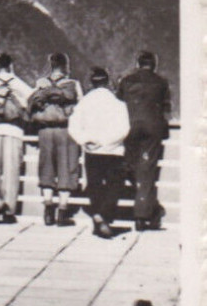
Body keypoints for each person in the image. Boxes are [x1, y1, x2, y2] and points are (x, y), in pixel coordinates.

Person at [68, 68, 130, 239]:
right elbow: (124, 129)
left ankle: (97, 215)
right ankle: (103, 215)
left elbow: (73, 126)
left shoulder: (84, 103)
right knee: (115, 185)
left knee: (94, 185)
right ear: (108, 82)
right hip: (113, 151)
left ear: (91, 83)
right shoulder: (117, 103)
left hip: (91, 150)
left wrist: (85, 141)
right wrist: (106, 143)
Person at [118, 50, 171, 231]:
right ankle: (143, 215)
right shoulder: (161, 82)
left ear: (138, 64)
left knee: (130, 165)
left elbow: (119, 103)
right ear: (154, 64)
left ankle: (146, 206)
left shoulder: (126, 81)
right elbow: (166, 107)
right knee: (147, 171)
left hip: (130, 128)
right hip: (153, 129)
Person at [28, 53, 83, 226]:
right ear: (66, 66)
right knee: (67, 169)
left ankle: (48, 211)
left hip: (45, 130)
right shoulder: (73, 84)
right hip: (66, 131)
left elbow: (29, 105)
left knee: (47, 169)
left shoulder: (40, 84)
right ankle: (62, 211)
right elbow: (80, 107)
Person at [0, 53, 34, 224]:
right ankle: (9, 210)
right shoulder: (18, 83)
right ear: (10, 66)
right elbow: (31, 99)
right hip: (14, 130)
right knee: (12, 171)